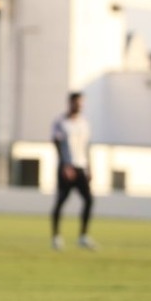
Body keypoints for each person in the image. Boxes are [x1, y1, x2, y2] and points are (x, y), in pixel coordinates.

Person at [51, 91, 95, 250]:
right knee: (61, 201)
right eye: (76, 102)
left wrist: (90, 167)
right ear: (70, 103)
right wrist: (64, 165)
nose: (79, 105)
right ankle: (56, 237)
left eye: (81, 103)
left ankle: (83, 236)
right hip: (67, 167)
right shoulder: (61, 122)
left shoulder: (84, 123)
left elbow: (86, 146)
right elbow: (56, 143)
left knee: (89, 200)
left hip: (81, 166)